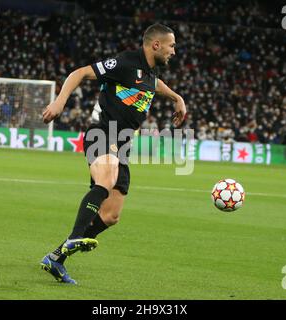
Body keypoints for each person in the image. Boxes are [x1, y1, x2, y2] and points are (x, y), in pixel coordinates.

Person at [40, 23, 187, 284]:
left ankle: (56, 258)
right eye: (172, 45)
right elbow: (80, 73)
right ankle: (75, 237)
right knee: (105, 179)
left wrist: (177, 98)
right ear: (156, 45)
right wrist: (59, 101)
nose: (174, 51)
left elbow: (156, 85)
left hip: (122, 145)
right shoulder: (124, 63)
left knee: (110, 215)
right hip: (102, 132)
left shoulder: (149, 75)